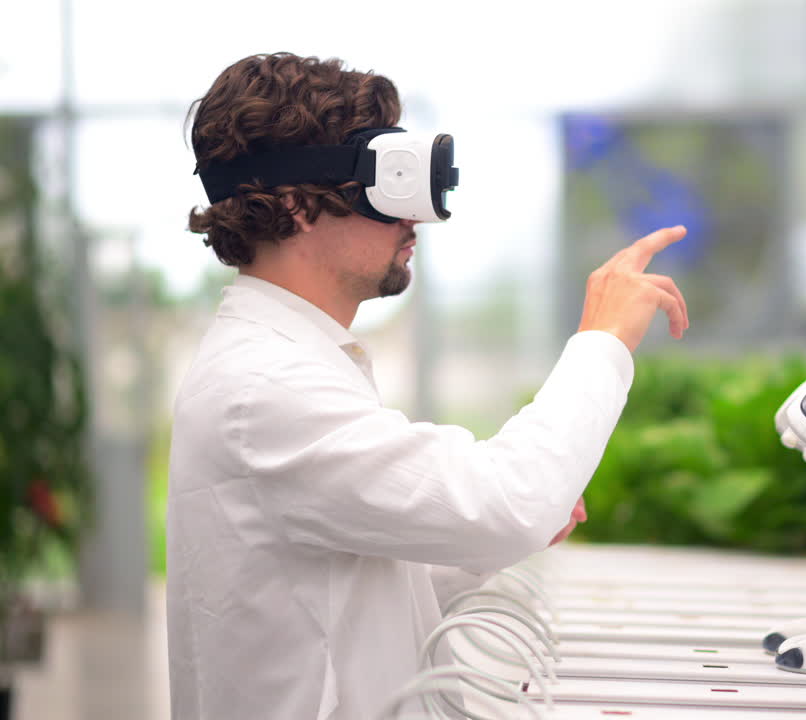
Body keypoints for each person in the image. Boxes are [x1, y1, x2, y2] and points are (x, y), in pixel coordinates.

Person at [168, 52, 689, 720]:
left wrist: (481, 541)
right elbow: (505, 504)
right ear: (297, 204)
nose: (415, 217)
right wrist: (604, 338)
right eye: (389, 182)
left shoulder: (289, 363)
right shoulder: (266, 385)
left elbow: (350, 588)